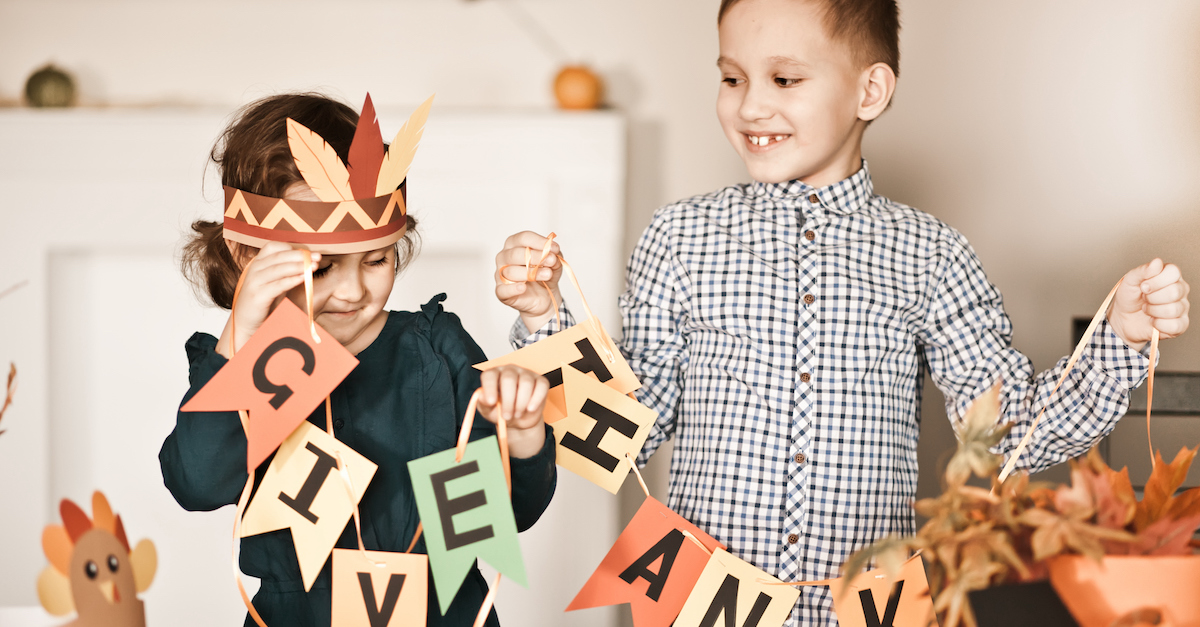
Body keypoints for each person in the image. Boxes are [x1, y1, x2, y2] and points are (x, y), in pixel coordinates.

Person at [492, 0, 1191, 624]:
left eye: (784, 79)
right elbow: (629, 435)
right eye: (732, 78)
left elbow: (1010, 438)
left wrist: (1119, 337)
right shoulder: (677, 238)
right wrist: (545, 320)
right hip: (695, 607)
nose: (750, 105)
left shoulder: (931, 254)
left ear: (870, 89)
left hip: (868, 610)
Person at [160, 93, 557, 627]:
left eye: (375, 260)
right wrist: (243, 334)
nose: (352, 291)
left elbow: (507, 516)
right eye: (322, 268)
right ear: (248, 256)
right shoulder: (249, 364)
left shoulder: (438, 353)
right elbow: (199, 483)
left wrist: (526, 434)